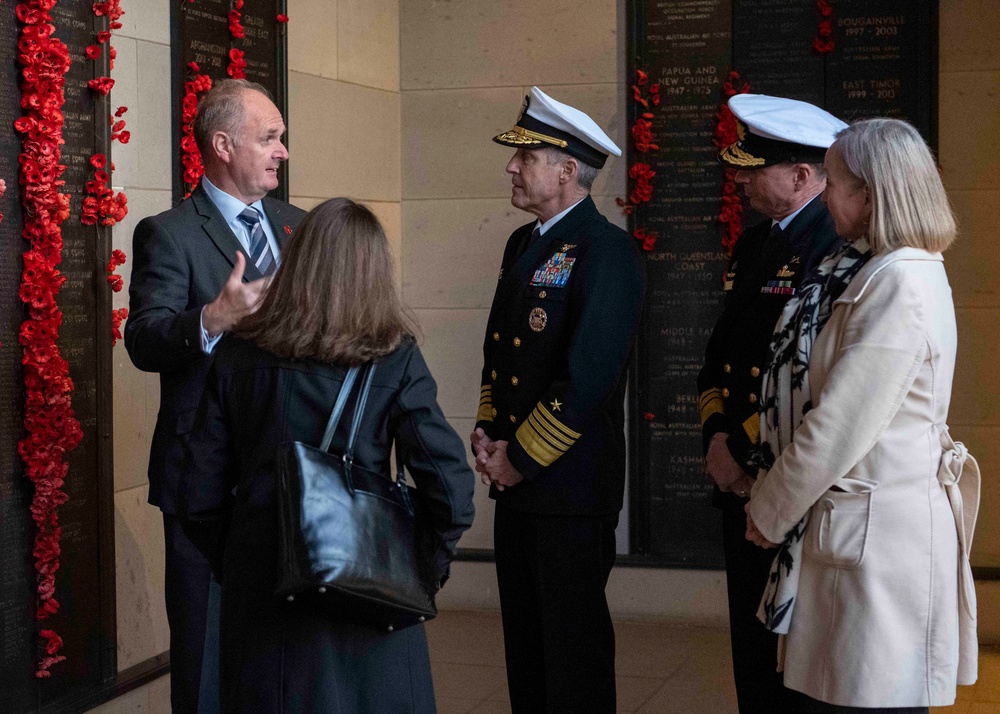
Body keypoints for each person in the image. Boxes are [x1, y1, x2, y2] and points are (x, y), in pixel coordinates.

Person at [181, 198, 476, 713]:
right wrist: (418, 568)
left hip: (262, 593)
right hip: (370, 592)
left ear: (297, 262)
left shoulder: (237, 351)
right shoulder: (395, 358)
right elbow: (451, 491)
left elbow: (197, 491)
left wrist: (244, 557)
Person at [746, 118, 979, 712]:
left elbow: (838, 425)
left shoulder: (900, 277)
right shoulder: (883, 267)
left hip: (883, 542)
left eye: (835, 182)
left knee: (878, 697)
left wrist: (769, 510)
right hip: (861, 529)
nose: (825, 194)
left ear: (871, 193)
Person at [124, 79, 306, 713]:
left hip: (292, 481)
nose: (283, 150)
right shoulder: (168, 233)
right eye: (270, 137)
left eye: (281, 137)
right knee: (206, 663)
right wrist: (209, 319)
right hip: (206, 486)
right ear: (223, 145)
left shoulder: (300, 228)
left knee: (285, 658)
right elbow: (144, 340)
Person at [472, 86, 645, 712]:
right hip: (515, 479)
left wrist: (520, 455)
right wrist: (490, 429)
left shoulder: (609, 252)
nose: (512, 168)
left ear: (569, 171)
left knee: (572, 656)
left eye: (528, 157)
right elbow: (503, 354)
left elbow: (587, 379)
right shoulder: (524, 244)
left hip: (567, 486)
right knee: (527, 647)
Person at [698, 94, 847, 713]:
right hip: (736, 470)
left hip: (782, 473)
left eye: (754, 167)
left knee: (793, 659)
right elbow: (721, 358)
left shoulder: (833, 247)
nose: (741, 178)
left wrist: (741, 446)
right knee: (752, 652)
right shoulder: (756, 244)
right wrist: (716, 436)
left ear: (803, 175)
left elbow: (812, 376)